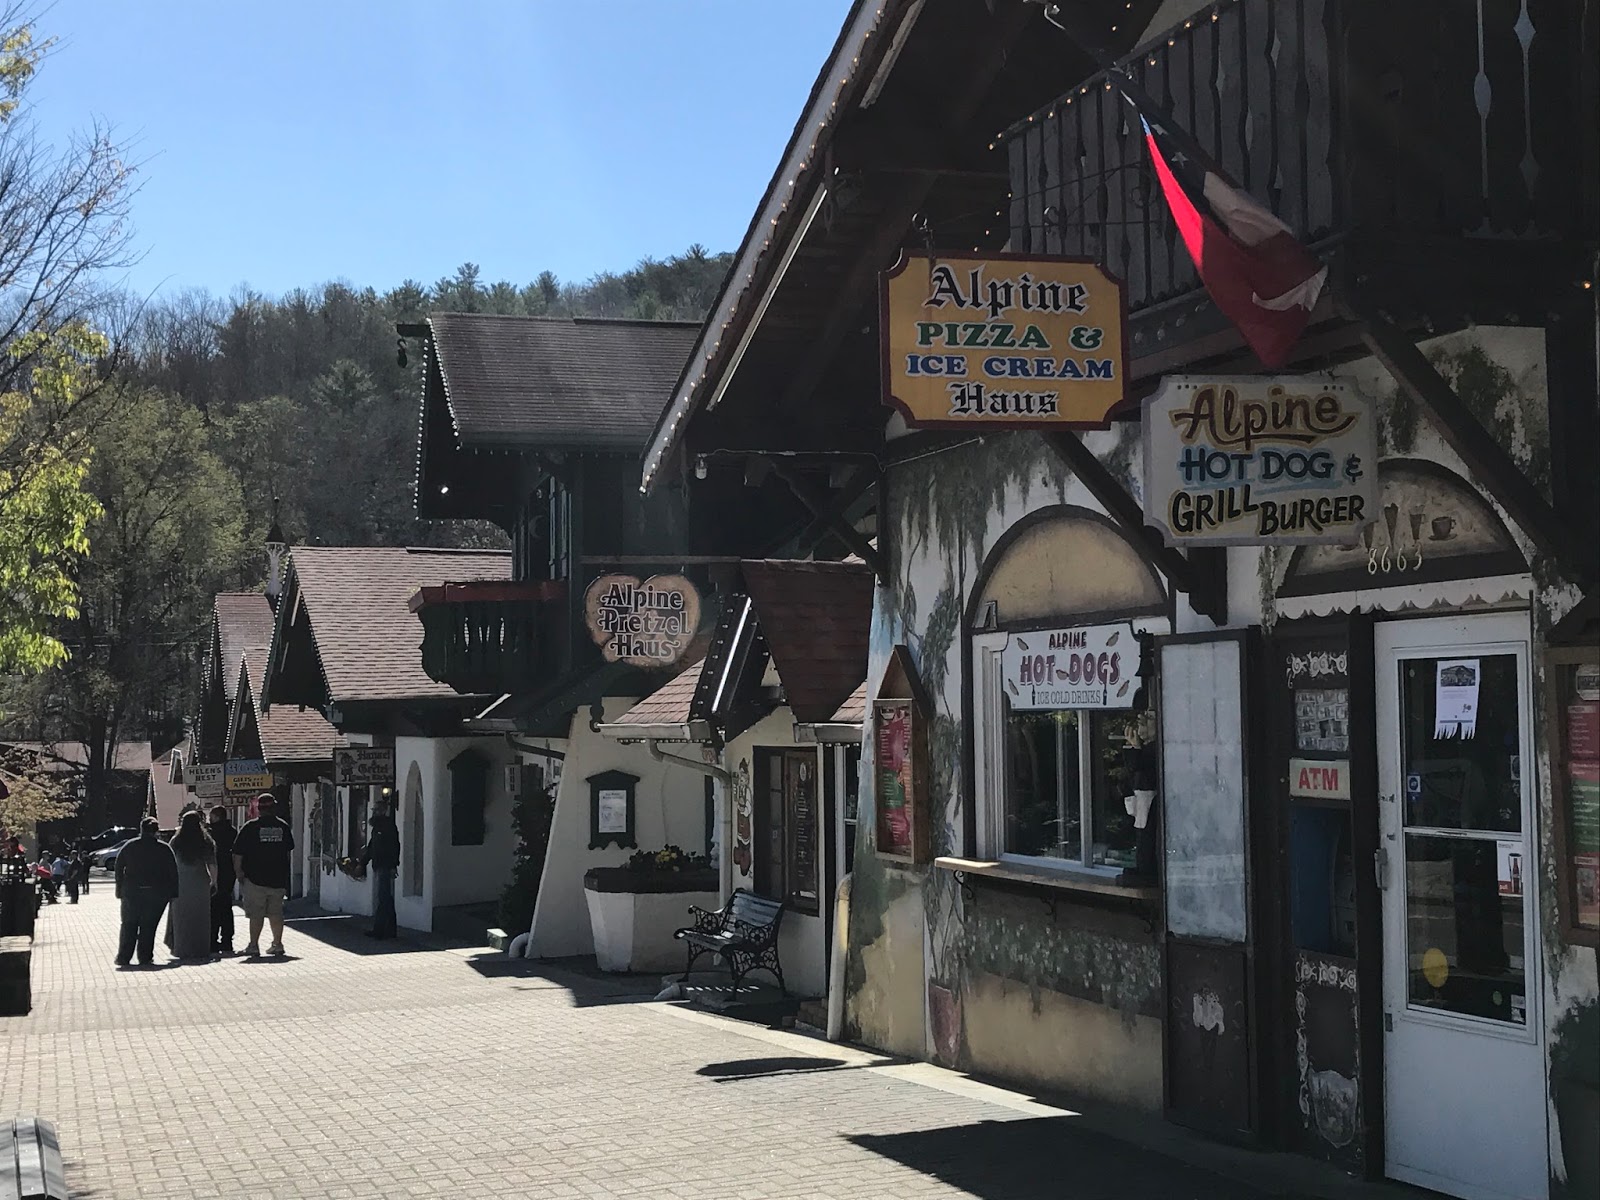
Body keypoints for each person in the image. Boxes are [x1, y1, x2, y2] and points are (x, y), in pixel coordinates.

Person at [232, 793, 294, 957]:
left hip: (254, 879)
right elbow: (288, 852)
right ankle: (277, 944)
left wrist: (239, 873)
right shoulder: (283, 826)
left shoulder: (250, 827)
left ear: (259, 809)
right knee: (276, 913)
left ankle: (254, 945)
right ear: (274, 808)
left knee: (256, 914)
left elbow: (238, 853)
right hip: (277, 879)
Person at [114, 818, 179, 967]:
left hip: (132, 891)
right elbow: (173, 871)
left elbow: (119, 867)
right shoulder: (164, 849)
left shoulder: (130, 846)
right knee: (149, 926)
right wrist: (173, 892)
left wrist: (120, 888)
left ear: (141, 829)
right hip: (156, 893)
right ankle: (145, 957)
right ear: (156, 831)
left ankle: (124, 957)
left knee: (129, 924)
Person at [164, 810, 217, 960]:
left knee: (181, 917)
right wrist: (214, 882)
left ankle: (181, 948)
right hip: (200, 881)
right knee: (200, 917)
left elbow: (169, 861)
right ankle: (200, 949)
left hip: (181, 881)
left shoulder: (176, 841)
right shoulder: (206, 841)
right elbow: (212, 864)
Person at [359, 798, 400, 939]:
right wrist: (362, 863)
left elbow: (394, 847)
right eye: (373, 810)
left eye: (376, 810)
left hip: (385, 866)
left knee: (383, 898)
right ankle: (390, 930)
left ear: (383, 811)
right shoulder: (376, 828)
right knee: (386, 898)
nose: (374, 812)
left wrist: (393, 865)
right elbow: (372, 847)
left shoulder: (389, 826)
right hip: (378, 866)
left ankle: (379, 930)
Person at [208, 804, 238, 955]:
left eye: (211, 816)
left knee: (213, 908)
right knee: (226, 907)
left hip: (214, 874)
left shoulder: (210, 834)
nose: (209, 819)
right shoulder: (233, 832)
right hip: (229, 874)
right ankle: (227, 941)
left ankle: (213, 941)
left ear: (217, 817)